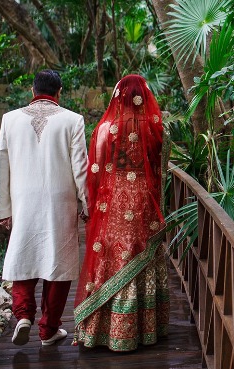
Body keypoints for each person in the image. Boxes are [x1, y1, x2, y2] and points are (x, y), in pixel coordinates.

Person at [73, 74, 169, 351]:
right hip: (144, 200)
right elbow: (161, 167)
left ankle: (103, 329)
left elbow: (97, 168)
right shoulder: (156, 128)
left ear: (118, 96)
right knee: (140, 252)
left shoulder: (106, 127)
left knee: (114, 252)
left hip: (113, 199)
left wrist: (91, 205)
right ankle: (146, 329)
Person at [0, 69, 89, 346]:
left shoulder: (10, 120)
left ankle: (23, 315)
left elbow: (2, 167)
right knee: (57, 261)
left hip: (23, 200)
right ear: (59, 92)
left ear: (32, 91)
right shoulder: (73, 120)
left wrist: (4, 208)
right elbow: (80, 167)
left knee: (24, 253)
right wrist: (86, 202)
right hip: (60, 200)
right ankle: (49, 329)